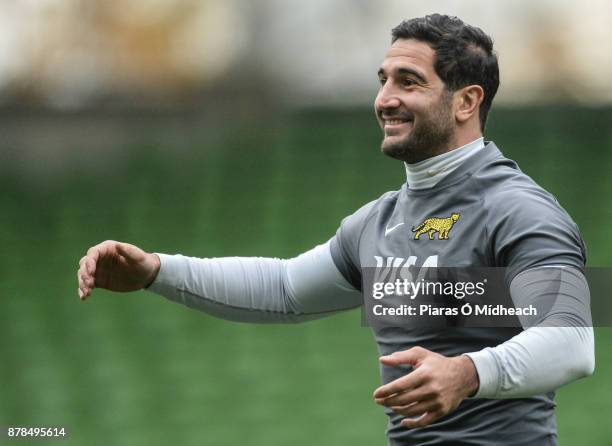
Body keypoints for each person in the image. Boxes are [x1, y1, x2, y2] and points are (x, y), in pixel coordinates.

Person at [77, 14, 595, 445]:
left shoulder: (518, 209)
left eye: (408, 82)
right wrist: (156, 271)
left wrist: (468, 374)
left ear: (466, 102)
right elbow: (284, 290)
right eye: (383, 80)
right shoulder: (381, 219)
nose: (384, 99)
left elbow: (571, 342)